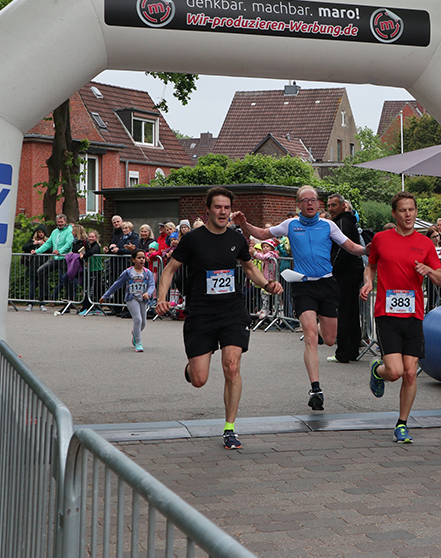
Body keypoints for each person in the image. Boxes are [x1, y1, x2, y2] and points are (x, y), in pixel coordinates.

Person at [155, 187, 283, 450]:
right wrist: (161, 298)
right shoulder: (193, 239)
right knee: (199, 379)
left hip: (231, 311)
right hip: (201, 313)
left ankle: (229, 428)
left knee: (232, 366)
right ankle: (192, 368)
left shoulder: (236, 238)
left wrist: (267, 285)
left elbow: (249, 268)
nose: (222, 212)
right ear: (208, 210)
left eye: (227, 208)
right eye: (218, 207)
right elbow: (169, 270)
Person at [232, 186, 365, 412]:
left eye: (313, 200)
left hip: (327, 283)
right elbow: (262, 234)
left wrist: (370, 249)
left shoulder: (329, 225)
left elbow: (351, 247)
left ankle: (318, 328)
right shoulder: (291, 225)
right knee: (310, 337)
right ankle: (316, 389)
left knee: (330, 339)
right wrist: (244, 224)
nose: (310, 203)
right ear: (298, 205)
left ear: (318, 203)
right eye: (305, 200)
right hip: (303, 285)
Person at [361, 191, 441, 443]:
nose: (408, 214)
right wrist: (368, 283)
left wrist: (429, 270)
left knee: (410, 373)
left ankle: (402, 424)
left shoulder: (425, 243)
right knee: (395, 371)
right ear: (394, 213)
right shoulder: (381, 239)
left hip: (414, 314)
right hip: (386, 313)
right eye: (403, 210)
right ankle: (378, 371)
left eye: (412, 210)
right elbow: (371, 265)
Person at [326, 193, 365, 365]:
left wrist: (331, 266)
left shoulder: (341, 223)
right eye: (329, 205)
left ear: (343, 206)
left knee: (343, 311)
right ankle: (352, 349)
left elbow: (342, 248)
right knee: (351, 311)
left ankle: (343, 352)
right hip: (353, 270)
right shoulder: (348, 221)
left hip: (345, 272)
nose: (330, 209)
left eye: (334, 205)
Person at [102, 250, 155, 352]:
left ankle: (135, 333)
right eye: (139, 258)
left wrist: (148, 293)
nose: (142, 260)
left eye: (143, 258)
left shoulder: (147, 272)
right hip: (132, 298)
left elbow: (152, 285)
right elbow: (117, 284)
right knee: (137, 319)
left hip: (143, 299)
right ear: (133, 260)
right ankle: (138, 342)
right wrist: (105, 296)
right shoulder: (128, 272)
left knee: (143, 323)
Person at [31, 213, 74, 312]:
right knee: (41, 271)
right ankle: (44, 295)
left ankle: (68, 303)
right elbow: (48, 244)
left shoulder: (69, 231)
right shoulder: (54, 232)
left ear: (65, 222)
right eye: (58, 222)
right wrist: (37, 251)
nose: (60, 224)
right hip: (55, 258)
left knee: (66, 280)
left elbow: (69, 243)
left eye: (61, 222)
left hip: (65, 258)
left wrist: (60, 251)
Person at [21, 225, 47, 311]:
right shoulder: (33, 240)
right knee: (32, 285)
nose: (41, 234)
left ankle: (42, 304)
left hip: (43, 266)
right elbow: (24, 247)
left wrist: (44, 245)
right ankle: (30, 303)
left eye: (42, 232)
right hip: (33, 266)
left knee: (42, 286)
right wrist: (33, 244)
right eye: (39, 232)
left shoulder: (48, 241)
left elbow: (52, 250)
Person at [78, 229, 104, 314]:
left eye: (93, 237)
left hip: (96, 270)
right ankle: (93, 307)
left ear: (96, 238)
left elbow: (92, 252)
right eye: (89, 237)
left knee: (91, 290)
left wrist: (84, 256)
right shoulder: (89, 245)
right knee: (91, 289)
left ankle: (89, 307)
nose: (91, 238)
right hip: (91, 270)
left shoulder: (96, 246)